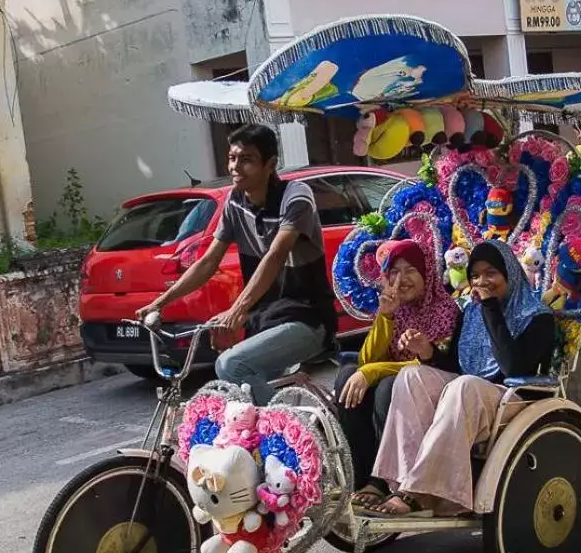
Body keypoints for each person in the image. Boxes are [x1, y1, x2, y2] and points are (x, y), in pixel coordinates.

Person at [135, 124, 335, 405]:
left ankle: (292, 433)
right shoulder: (234, 201)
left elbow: (274, 256)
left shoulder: (295, 196)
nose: (235, 167)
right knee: (233, 400)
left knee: (231, 365)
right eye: (232, 158)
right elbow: (208, 262)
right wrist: (160, 303)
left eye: (247, 160)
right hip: (264, 320)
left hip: (306, 318)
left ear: (270, 164)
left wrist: (237, 309)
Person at [372, 240, 558, 516]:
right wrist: (427, 351)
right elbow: (457, 365)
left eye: (491, 272)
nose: (482, 281)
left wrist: (491, 309)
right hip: (469, 394)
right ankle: (402, 481)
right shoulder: (471, 312)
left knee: (464, 385)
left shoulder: (537, 316)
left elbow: (513, 365)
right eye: (475, 275)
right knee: (413, 375)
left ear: (509, 272)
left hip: (514, 400)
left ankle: (421, 492)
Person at [331, 239, 460, 512]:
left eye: (410, 270)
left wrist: (371, 372)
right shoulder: (396, 307)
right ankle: (362, 474)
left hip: (428, 388)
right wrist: (385, 317)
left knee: (387, 385)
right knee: (347, 376)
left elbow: (427, 364)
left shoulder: (445, 310)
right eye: (394, 271)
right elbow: (368, 360)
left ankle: (382, 481)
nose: (401, 279)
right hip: (398, 380)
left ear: (427, 272)